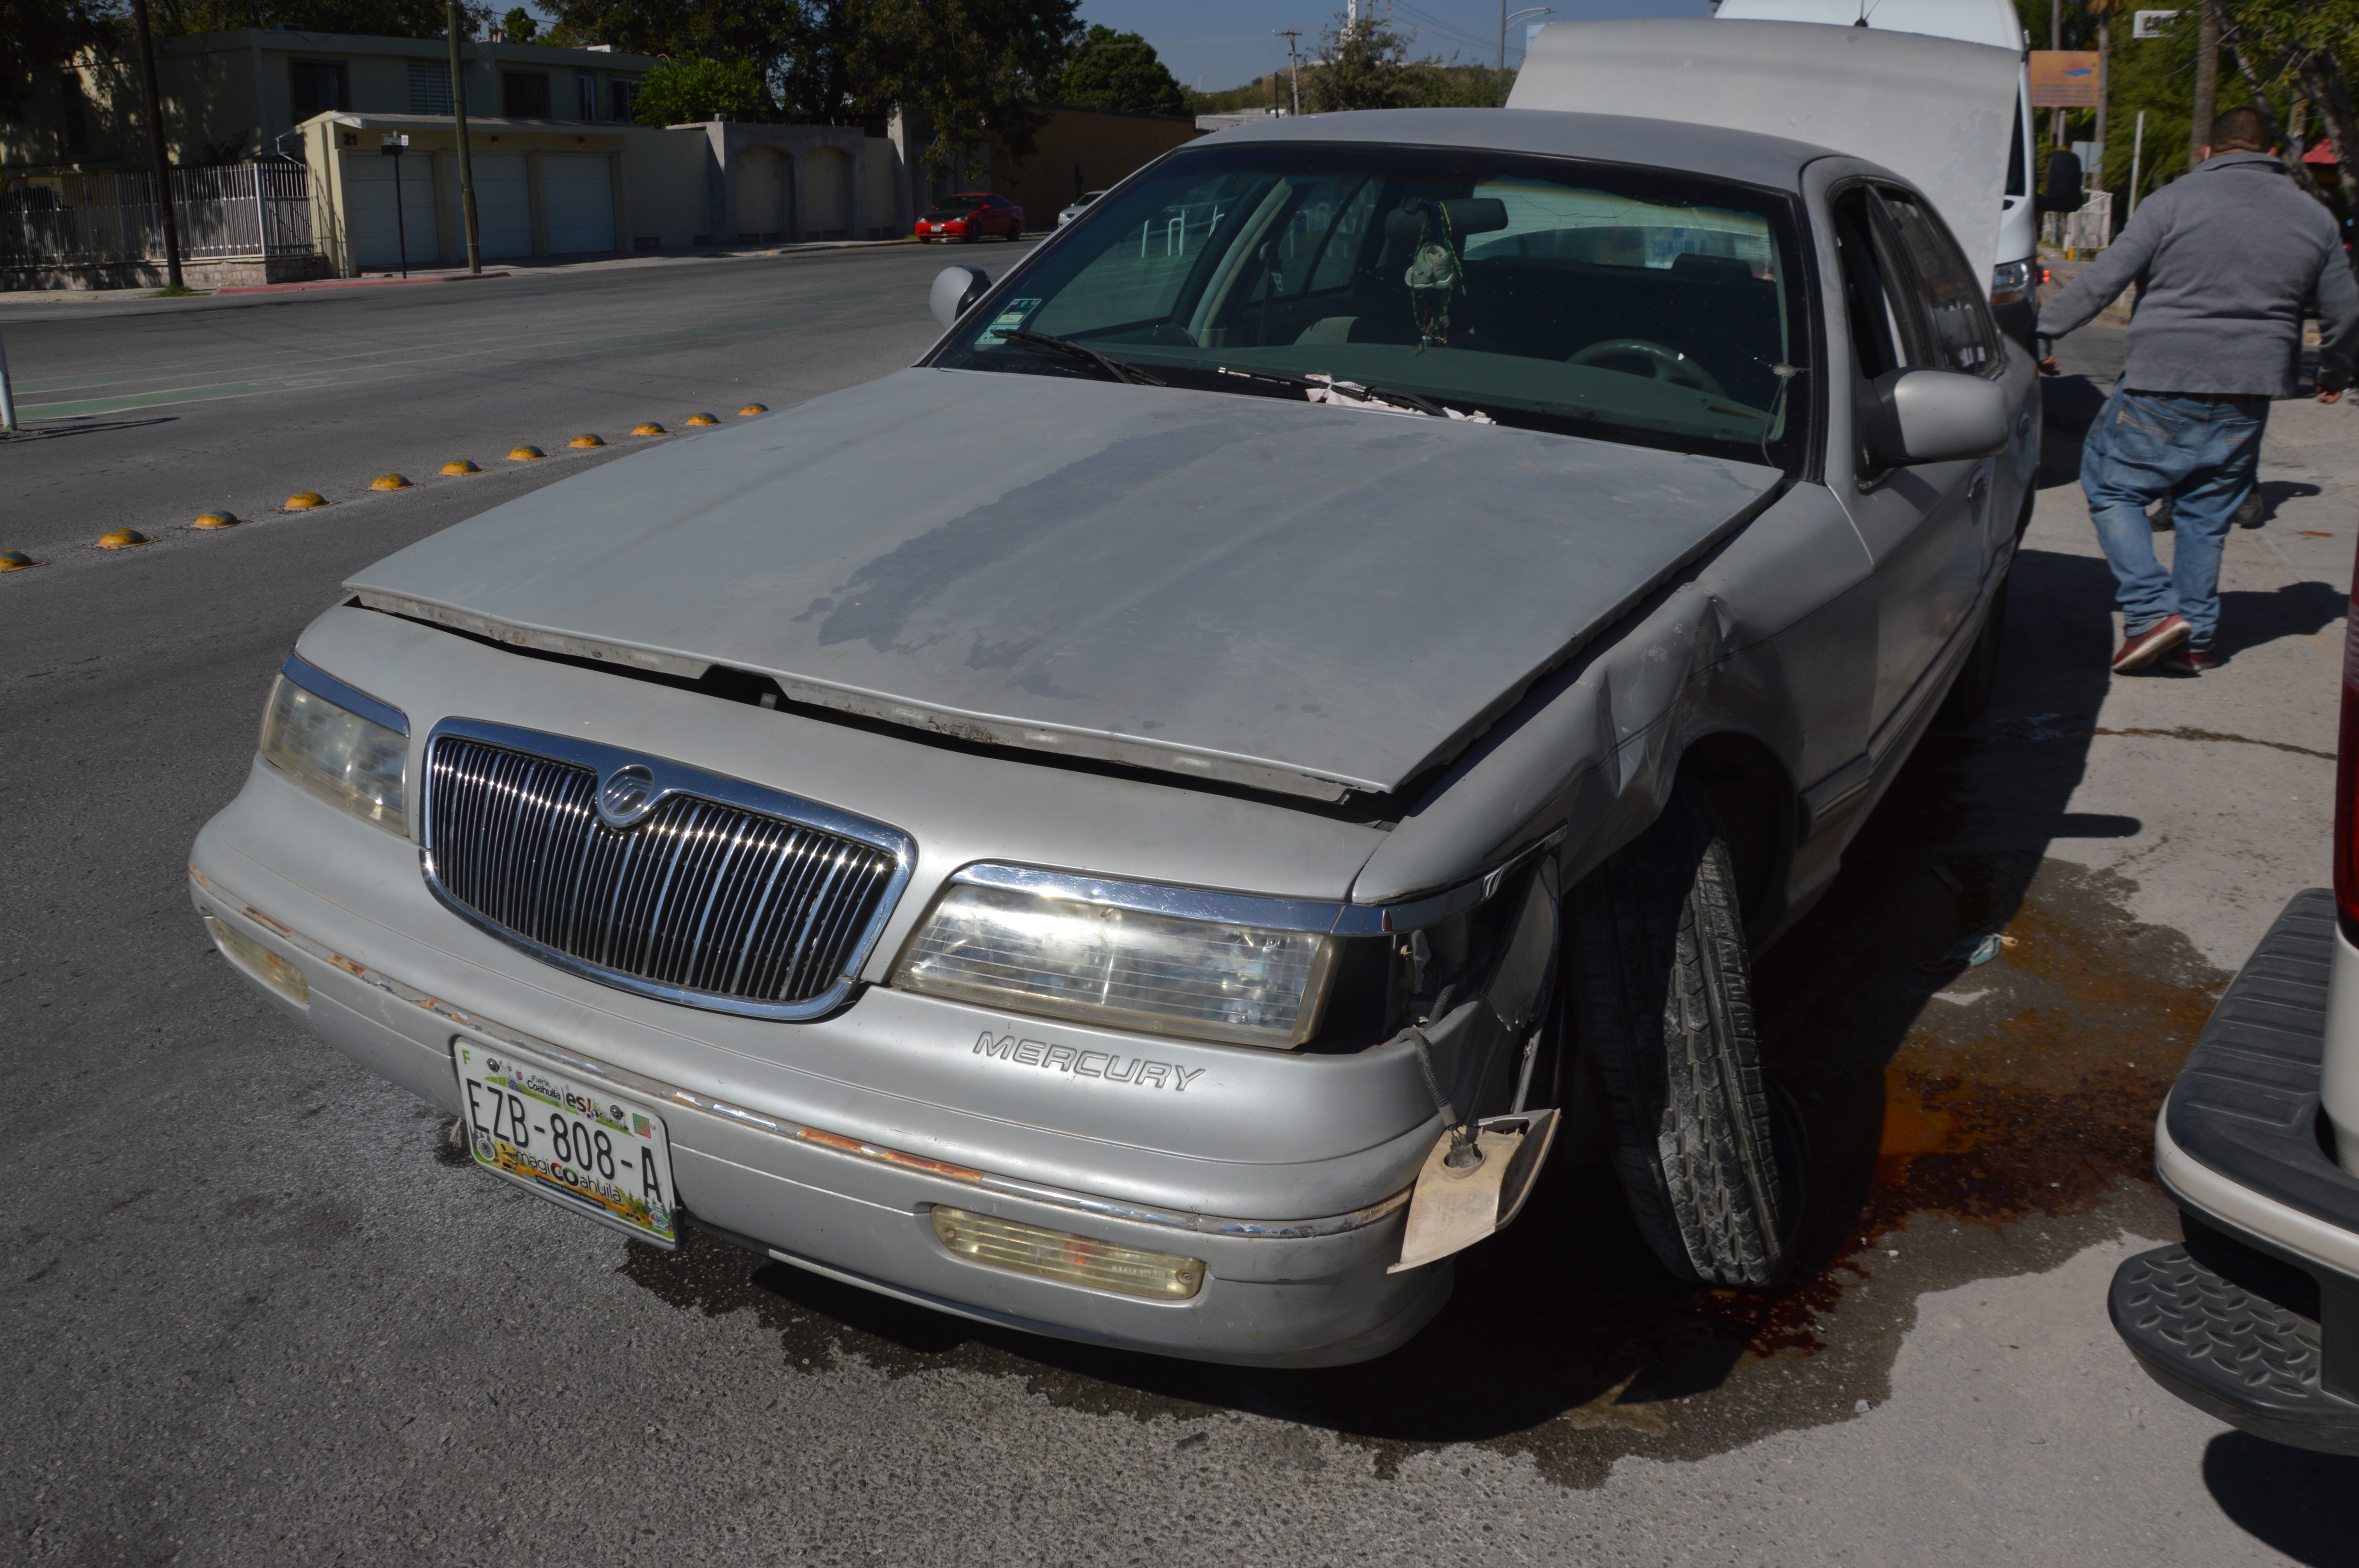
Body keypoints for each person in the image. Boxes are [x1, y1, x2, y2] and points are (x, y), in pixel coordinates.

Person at [2037, 106, 2356, 675]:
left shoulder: (2172, 201)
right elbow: (2345, 311)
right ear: (2273, 156)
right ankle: (2199, 641)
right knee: (2206, 516)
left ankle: (2151, 612)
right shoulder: (2314, 217)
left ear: (2207, 153)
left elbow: (2104, 278)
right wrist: (2334, 371)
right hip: (2249, 394)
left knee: (2113, 490)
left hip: (2164, 380)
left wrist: (2043, 329)